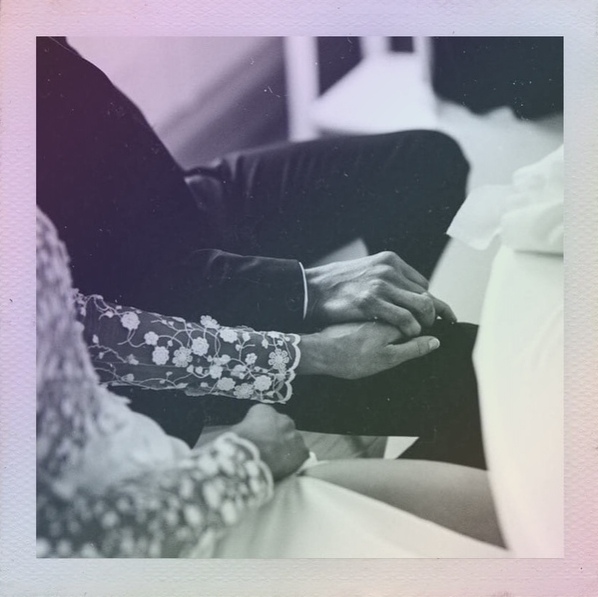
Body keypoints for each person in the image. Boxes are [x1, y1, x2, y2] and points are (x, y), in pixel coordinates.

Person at [37, 36, 485, 468]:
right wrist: (309, 312)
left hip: (171, 210)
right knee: (478, 374)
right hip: (152, 321)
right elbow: (87, 326)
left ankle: (384, 371)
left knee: (426, 163)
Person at [37, 208, 505, 558]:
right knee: (508, 517)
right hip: (174, 526)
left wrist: (306, 351)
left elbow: (93, 332)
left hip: (161, 466)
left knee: (509, 506)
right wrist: (244, 461)